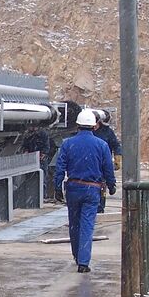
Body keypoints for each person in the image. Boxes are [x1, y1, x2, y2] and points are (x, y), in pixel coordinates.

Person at [53, 109, 116, 273]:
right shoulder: (102, 145)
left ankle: (76, 255)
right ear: (94, 126)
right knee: (87, 224)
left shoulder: (68, 144)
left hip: (73, 187)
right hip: (92, 189)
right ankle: (83, 262)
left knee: (74, 224)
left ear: (78, 125)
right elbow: (108, 168)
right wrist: (111, 185)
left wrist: (57, 186)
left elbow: (60, 167)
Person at [93, 110, 121, 213]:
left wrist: (118, 156)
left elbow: (116, 145)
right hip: (91, 166)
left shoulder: (107, 132)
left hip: (103, 165)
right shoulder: (86, 132)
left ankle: (100, 208)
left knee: (101, 189)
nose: (94, 126)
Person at [21, 127, 56, 201]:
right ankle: (32, 196)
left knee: (42, 178)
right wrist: (26, 151)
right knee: (31, 178)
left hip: (41, 159)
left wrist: (42, 154)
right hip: (31, 159)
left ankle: (42, 196)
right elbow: (24, 146)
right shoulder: (28, 134)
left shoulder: (42, 134)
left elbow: (46, 147)